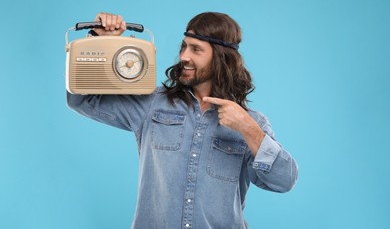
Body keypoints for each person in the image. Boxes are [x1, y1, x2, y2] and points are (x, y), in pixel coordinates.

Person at [67, 12, 298, 229]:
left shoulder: (252, 122)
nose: (184, 56)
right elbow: (82, 99)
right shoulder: (151, 103)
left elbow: (284, 181)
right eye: (184, 46)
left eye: (196, 49)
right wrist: (101, 42)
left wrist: (248, 129)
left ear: (222, 58)